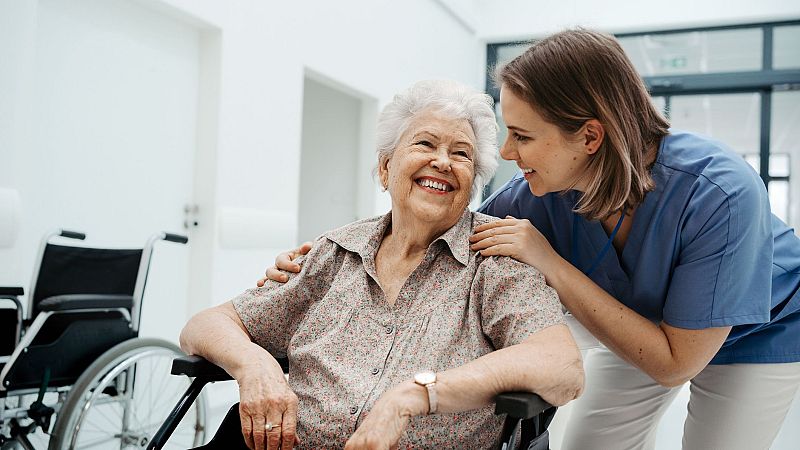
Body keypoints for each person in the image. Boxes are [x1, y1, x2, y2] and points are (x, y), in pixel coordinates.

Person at [266, 30, 800, 450]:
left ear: (589, 136)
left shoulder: (720, 194)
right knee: (591, 445)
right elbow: (443, 223)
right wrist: (330, 255)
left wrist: (549, 262)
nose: (508, 155)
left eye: (522, 136)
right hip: (638, 325)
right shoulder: (536, 193)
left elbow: (674, 363)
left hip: (756, 333)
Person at [183, 79, 584, 450]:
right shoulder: (335, 252)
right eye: (425, 144)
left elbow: (561, 365)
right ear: (385, 168)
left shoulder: (494, 260)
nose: (443, 162)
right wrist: (254, 363)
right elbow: (205, 325)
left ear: (473, 181)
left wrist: (414, 396)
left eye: (460, 153)